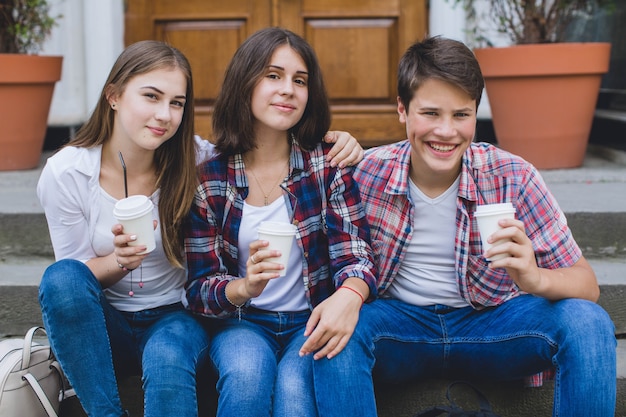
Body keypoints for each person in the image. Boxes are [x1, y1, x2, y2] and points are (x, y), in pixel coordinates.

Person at [37, 40, 364, 417]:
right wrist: (118, 261)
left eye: (176, 103)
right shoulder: (67, 172)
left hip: (175, 313)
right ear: (113, 96)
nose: (164, 115)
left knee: (167, 356)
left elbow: (258, 147)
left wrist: (343, 140)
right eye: (151, 97)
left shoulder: (199, 160)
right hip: (106, 321)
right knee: (60, 277)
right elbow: (73, 288)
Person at [308, 35, 617, 417]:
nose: (446, 132)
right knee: (335, 331)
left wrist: (533, 277)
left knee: (588, 324)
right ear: (402, 110)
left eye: (461, 115)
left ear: (475, 113)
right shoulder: (367, 173)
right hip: (400, 327)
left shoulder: (512, 176)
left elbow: (586, 285)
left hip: (493, 326)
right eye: (431, 113)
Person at [183, 27, 377, 417]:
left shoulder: (326, 165)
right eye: (273, 75)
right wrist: (244, 286)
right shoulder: (209, 180)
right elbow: (198, 289)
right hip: (242, 322)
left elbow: (356, 255)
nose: (288, 89)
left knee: (294, 396)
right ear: (245, 82)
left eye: (299, 80)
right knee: (246, 376)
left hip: (310, 317)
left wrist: (349, 295)